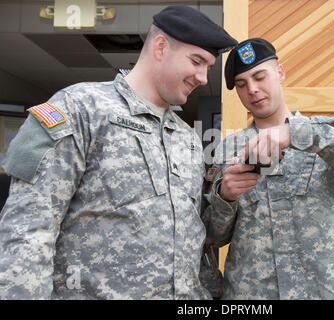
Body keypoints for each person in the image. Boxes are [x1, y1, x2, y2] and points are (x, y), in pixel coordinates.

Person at [0, 5, 237, 299]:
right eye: (197, 61)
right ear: (161, 47)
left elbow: (196, 239)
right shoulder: (79, 109)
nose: (203, 77)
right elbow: (28, 231)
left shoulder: (187, 138)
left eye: (208, 68)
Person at [203, 38, 334, 299]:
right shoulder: (229, 150)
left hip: (320, 291)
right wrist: (225, 197)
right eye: (241, 84)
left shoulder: (321, 134)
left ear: (280, 73)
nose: (252, 89)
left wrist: (299, 134)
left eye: (260, 77)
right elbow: (212, 237)